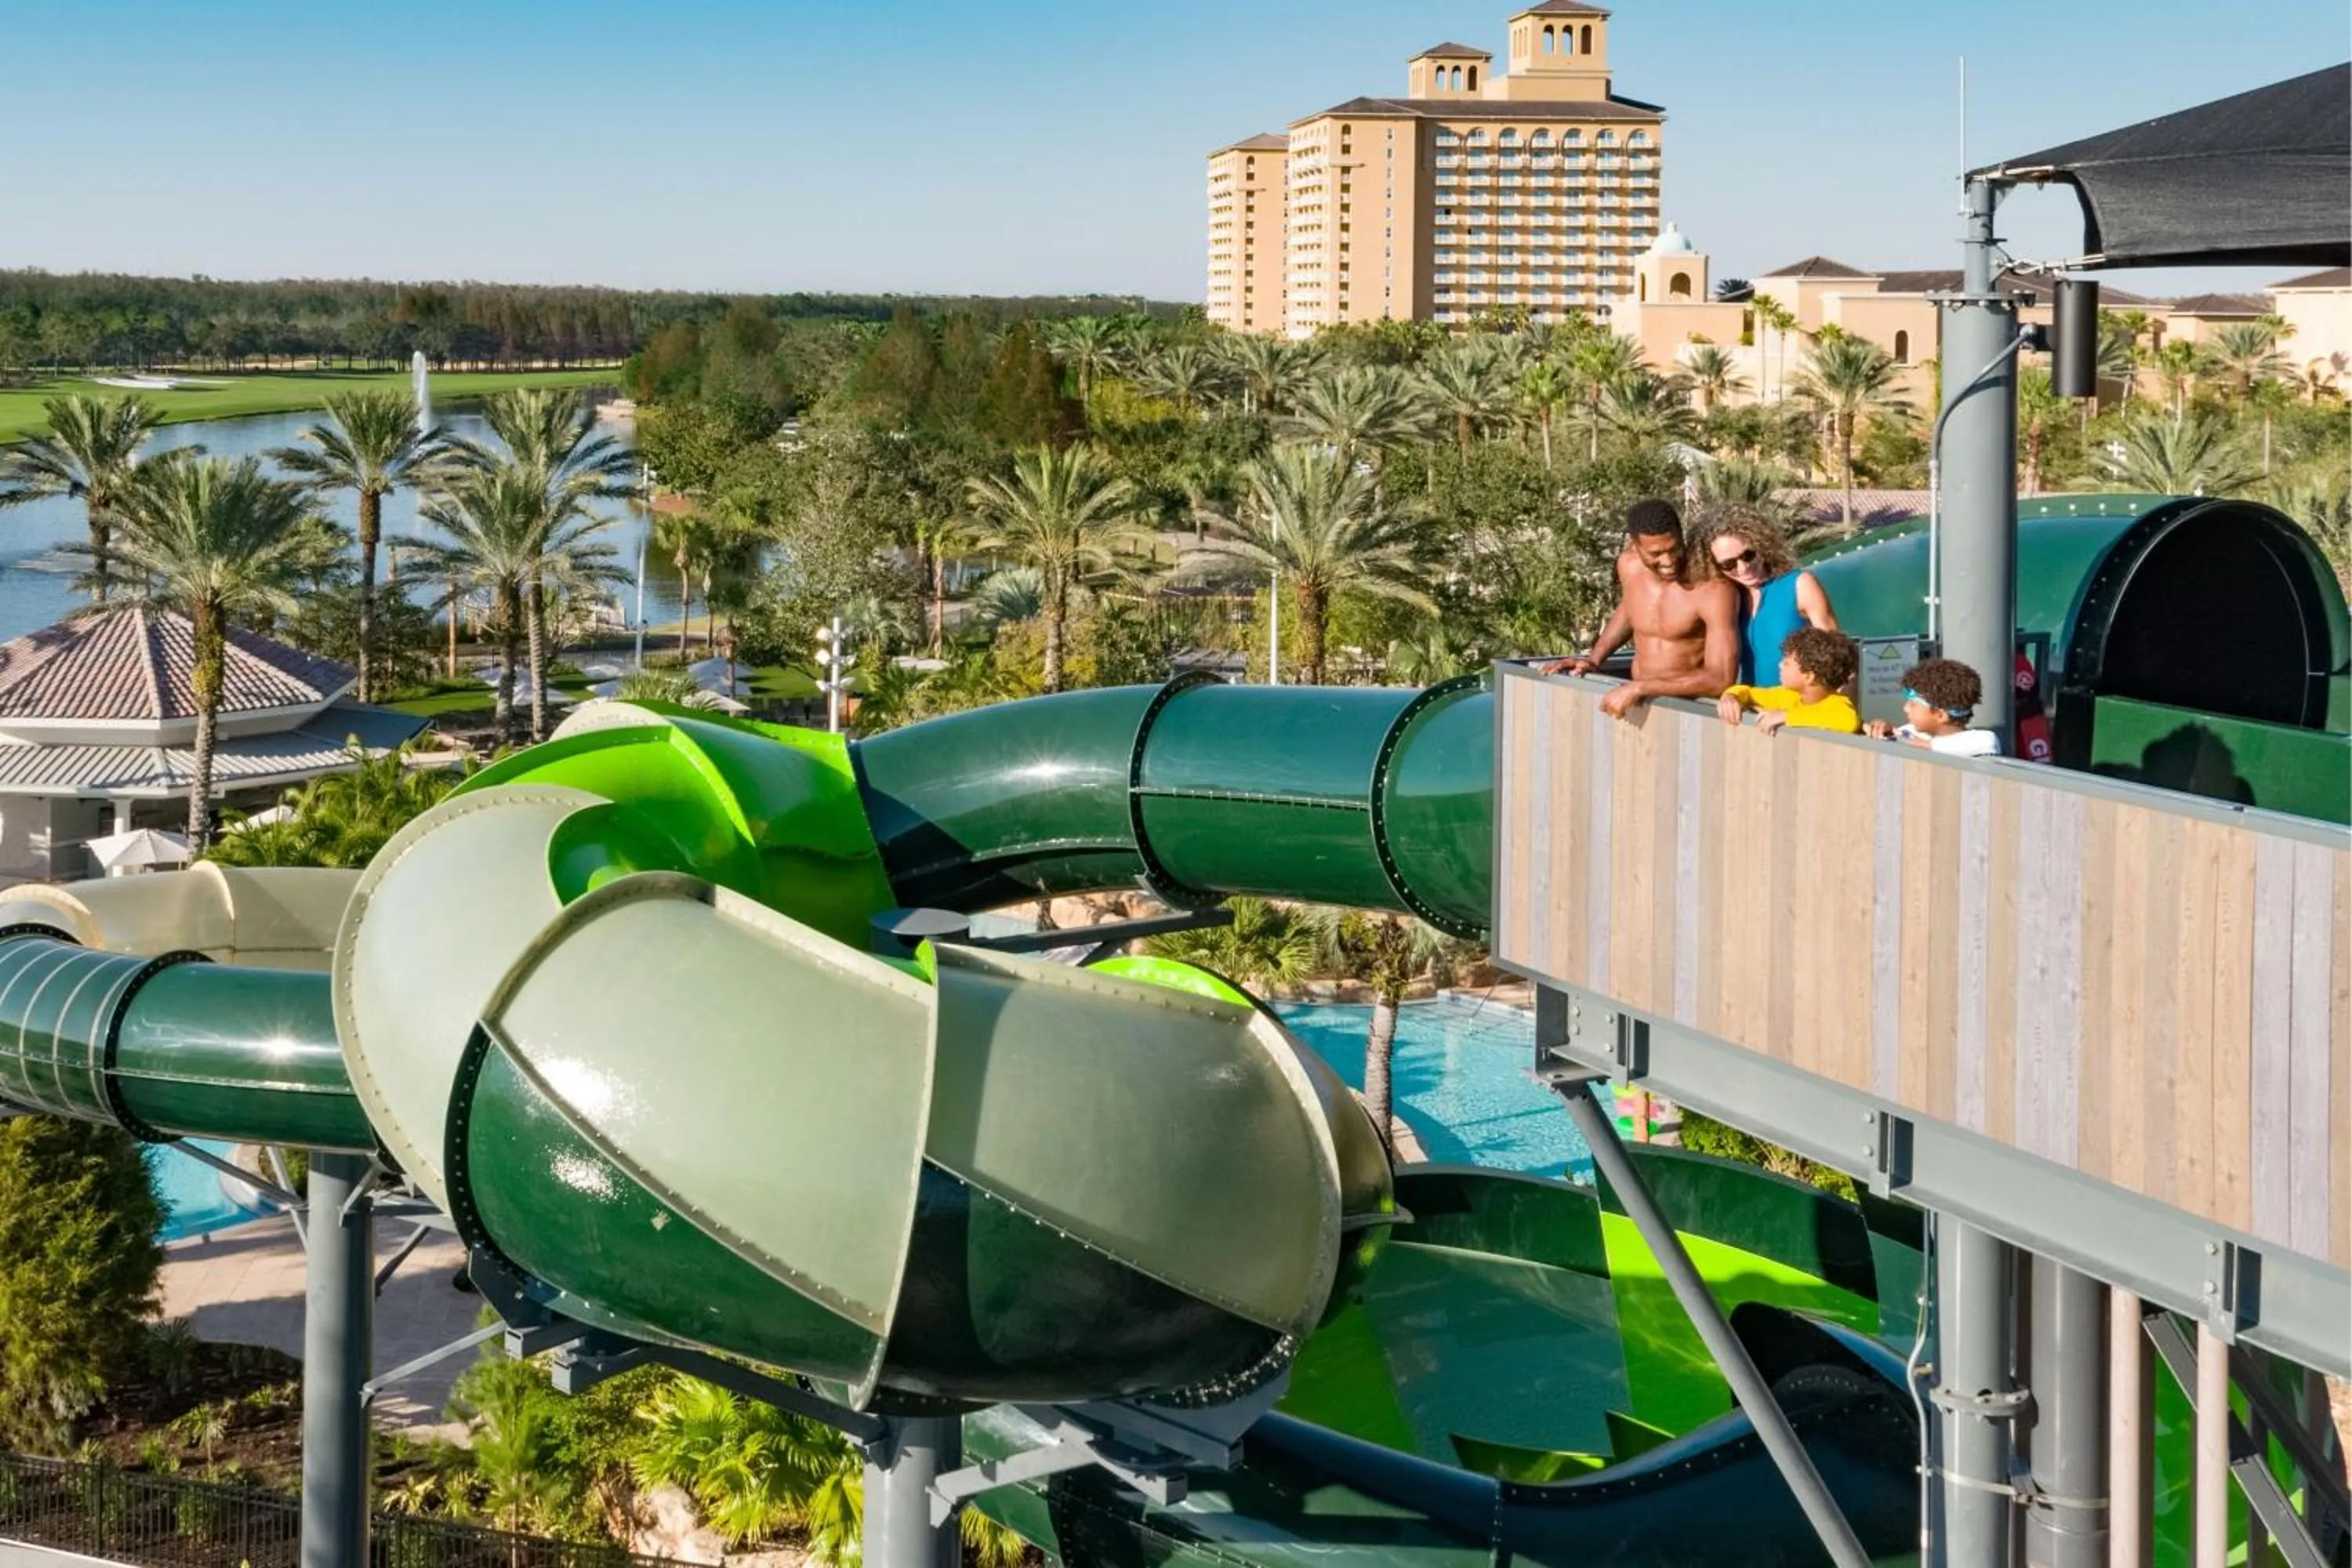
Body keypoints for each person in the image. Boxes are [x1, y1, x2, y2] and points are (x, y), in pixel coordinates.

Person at [1541, 499, 1739, 720]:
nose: (1668, 561)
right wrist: (1594, 659)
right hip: (1639, 707)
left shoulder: (1713, 588)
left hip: (1691, 714)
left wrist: (1639, 687)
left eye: (1674, 548)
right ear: (1635, 545)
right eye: (1656, 554)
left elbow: (1720, 679)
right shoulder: (1629, 565)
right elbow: (1630, 609)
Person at [1686, 508, 1840, 686]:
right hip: (1749, 702)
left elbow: (1838, 657)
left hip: (1798, 703)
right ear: (1714, 566)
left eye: (1748, 556)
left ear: (1762, 545)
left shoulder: (1800, 585)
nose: (1743, 568)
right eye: (1729, 564)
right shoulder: (1728, 601)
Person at [1715, 626, 1862, 735]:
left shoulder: (1838, 704)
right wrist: (1731, 697)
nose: (1780, 665)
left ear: (1808, 677)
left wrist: (1786, 716)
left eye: (1787, 663)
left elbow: (1848, 721)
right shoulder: (1788, 695)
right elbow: (1748, 693)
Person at [1863, 657, 2001, 757]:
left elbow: (1988, 742)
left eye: (1913, 704)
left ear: (1941, 716)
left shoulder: (1979, 741)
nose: (1905, 708)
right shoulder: (1913, 732)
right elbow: (1896, 734)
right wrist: (1880, 727)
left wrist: (1927, 746)